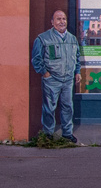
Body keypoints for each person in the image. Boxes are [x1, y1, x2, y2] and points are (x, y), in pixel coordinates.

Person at [28, 11, 83, 143]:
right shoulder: (43, 38)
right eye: (58, 19)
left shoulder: (72, 39)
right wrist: (44, 72)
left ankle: (67, 133)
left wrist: (77, 71)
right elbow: (36, 59)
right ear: (52, 22)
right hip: (52, 79)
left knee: (68, 107)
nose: (62, 21)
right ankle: (48, 134)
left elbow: (76, 57)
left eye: (64, 19)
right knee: (49, 108)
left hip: (68, 79)